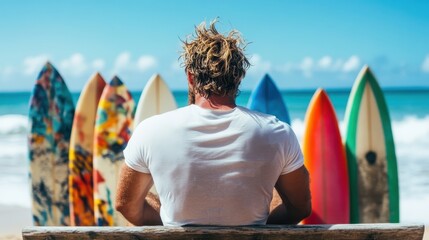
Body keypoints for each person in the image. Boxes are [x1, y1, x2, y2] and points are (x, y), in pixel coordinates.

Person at [115, 20, 311, 226]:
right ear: (239, 78)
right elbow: (300, 207)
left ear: (190, 78)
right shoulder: (278, 133)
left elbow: (125, 204)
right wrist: (258, 224)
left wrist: (169, 220)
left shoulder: (150, 130)